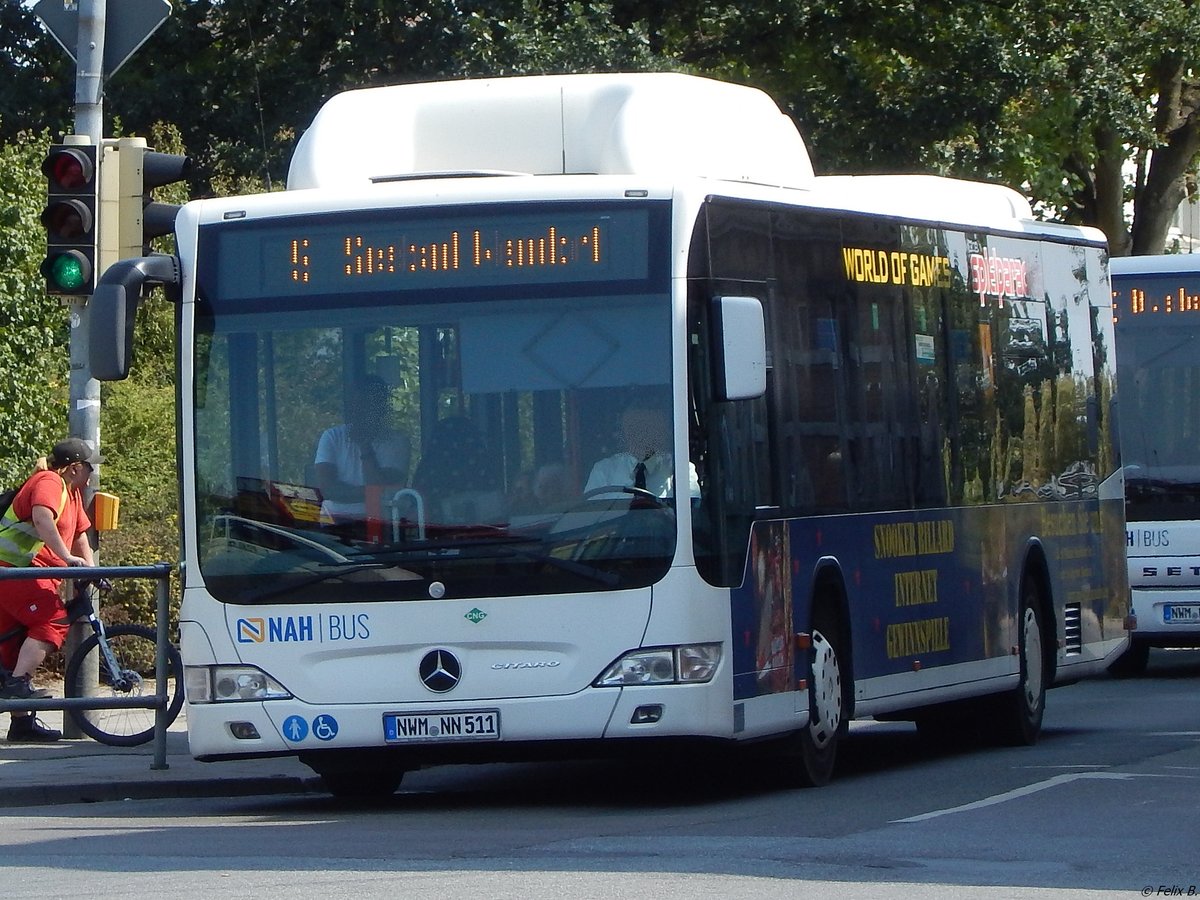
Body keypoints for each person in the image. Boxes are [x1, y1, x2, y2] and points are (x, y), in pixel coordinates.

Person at [0, 438, 99, 742]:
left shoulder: (71, 493)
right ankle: (17, 688)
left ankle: (21, 725)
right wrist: (68, 558)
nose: (93, 474)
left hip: (24, 575)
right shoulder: (48, 482)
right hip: (12, 571)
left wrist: (94, 571)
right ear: (75, 468)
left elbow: (81, 533)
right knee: (53, 619)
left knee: (11, 648)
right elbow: (43, 517)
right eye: (90, 467)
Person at [314, 377, 411, 527]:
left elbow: (375, 487)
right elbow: (328, 490)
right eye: (357, 405)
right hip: (333, 524)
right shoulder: (332, 437)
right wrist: (372, 492)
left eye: (368, 405)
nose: (360, 412)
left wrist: (365, 446)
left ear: (382, 409)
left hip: (382, 523)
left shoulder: (398, 442)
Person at [584, 405, 700, 500]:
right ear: (624, 433)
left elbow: (691, 515)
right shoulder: (604, 470)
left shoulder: (681, 470)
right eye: (633, 428)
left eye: (647, 428)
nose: (640, 435)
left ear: (661, 433)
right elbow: (591, 518)